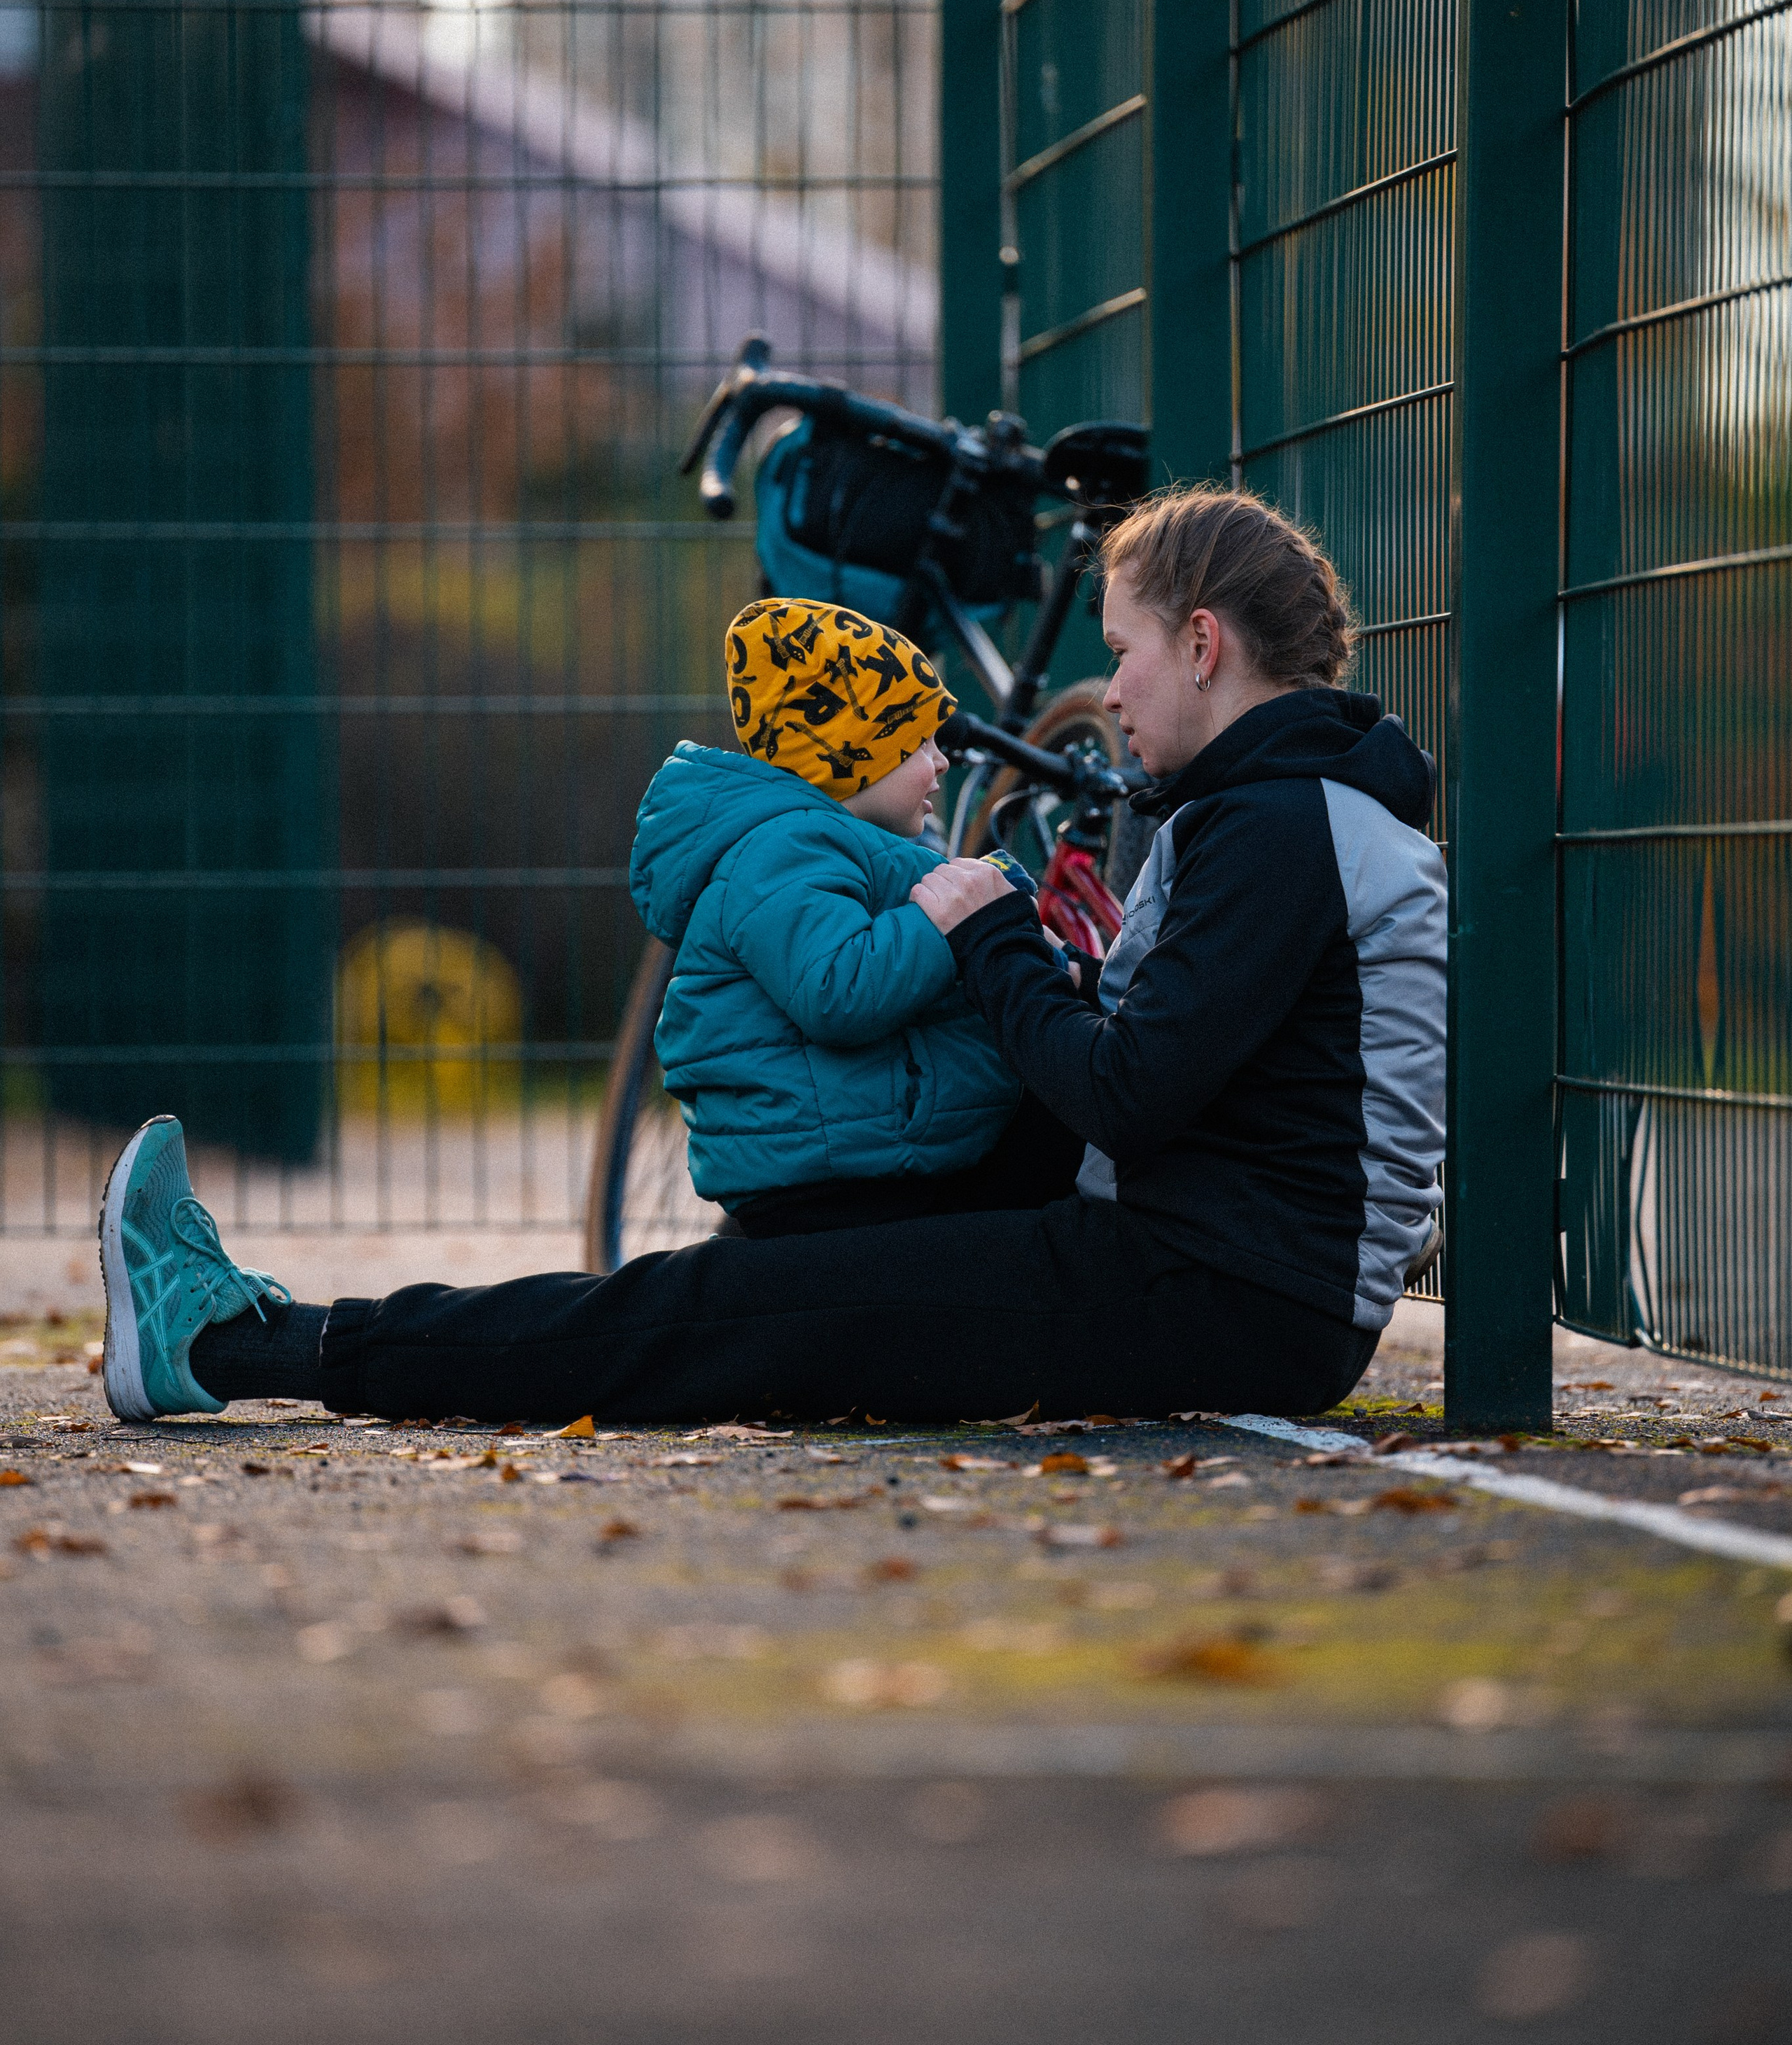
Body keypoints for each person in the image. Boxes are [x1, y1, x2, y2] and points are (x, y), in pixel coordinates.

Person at [97, 485, 1446, 1433]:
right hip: (1195, 1253)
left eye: (1125, 654)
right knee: (748, 1282)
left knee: (720, 1317)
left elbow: (1132, 1094)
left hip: (1218, 1297)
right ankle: (756, 1253)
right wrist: (1024, 970)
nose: (1121, 691)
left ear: (1203, 646)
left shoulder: (1283, 828)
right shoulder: (1281, 811)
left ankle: (238, 1344)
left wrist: (989, 937)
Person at [630, 595, 1081, 1239]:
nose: (942, 759)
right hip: (822, 1172)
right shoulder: (783, 850)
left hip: (851, 1144)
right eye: (918, 739)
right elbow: (837, 988)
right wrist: (950, 924)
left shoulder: (840, 847)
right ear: (851, 753)